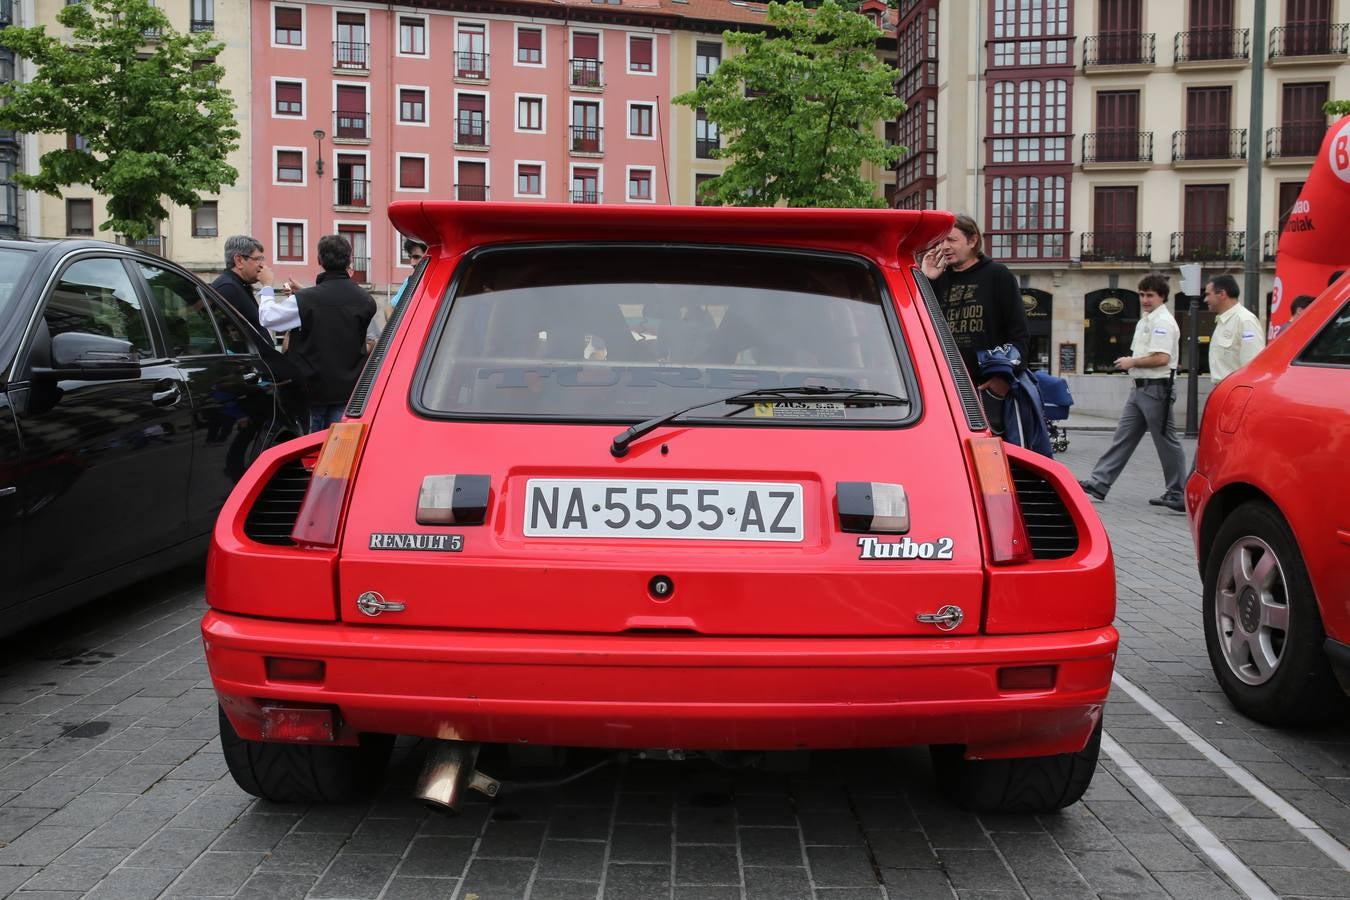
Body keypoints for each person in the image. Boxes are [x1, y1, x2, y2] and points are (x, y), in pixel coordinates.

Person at [1078, 274, 1187, 512]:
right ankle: (1099, 482)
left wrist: (1132, 362)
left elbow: (1162, 358)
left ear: (1162, 297)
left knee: (1166, 442)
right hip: (1140, 388)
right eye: (1142, 294)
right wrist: (1133, 365)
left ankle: (1178, 492)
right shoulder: (1147, 320)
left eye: (1150, 295)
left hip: (1156, 388)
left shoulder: (1162, 322)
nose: (1145, 299)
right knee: (1123, 437)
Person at [920, 214, 1029, 433]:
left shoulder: (998, 275)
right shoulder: (937, 278)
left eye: (952, 240)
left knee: (991, 453)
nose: (945, 247)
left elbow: (1019, 333)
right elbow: (921, 327)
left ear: (972, 241)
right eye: (940, 241)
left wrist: (1002, 381)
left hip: (986, 388)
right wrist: (926, 278)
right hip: (945, 388)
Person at [258, 235, 377, 432]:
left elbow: (269, 318)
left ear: (319, 261)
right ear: (349, 261)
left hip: (312, 391)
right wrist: (305, 294)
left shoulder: (306, 300)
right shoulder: (366, 300)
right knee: (336, 451)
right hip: (348, 391)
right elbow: (334, 308)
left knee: (309, 450)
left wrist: (267, 287)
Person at [212, 235, 274, 342]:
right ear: (239, 261)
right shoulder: (228, 288)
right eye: (257, 259)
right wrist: (267, 285)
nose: (262, 265)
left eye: (262, 259)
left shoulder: (239, 285)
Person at [1204, 274, 1265, 383]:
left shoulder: (1245, 320)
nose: (1205, 299)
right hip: (1223, 389)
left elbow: (1253, 365)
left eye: (1208, 294)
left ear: (1222, 294)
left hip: (1236, 391)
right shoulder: (1223, 320)